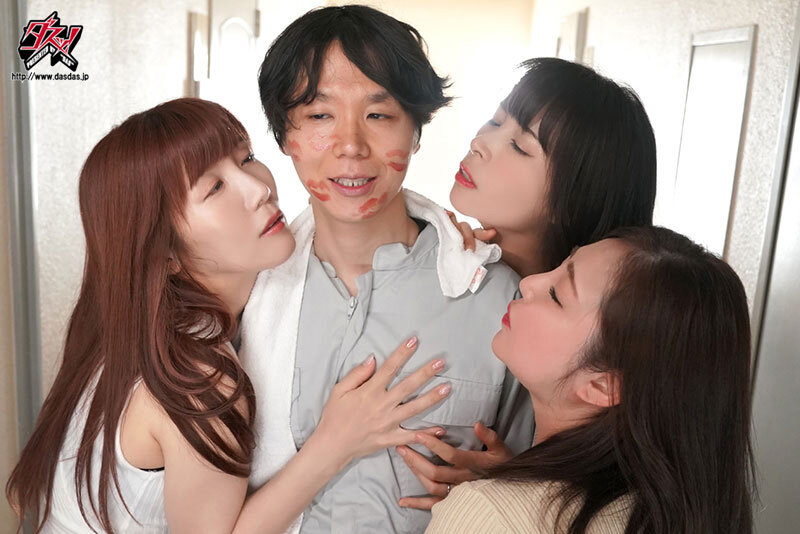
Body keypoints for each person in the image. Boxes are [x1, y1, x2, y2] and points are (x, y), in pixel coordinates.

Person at [5, 98, 452, 534]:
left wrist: (449, 235)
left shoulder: (131, 332)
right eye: (214, 188)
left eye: (246, 159)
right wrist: (335, 443)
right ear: (164, 253)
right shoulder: (196, 380)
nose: (260, 189)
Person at [241, 5, 534, 533]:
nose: (351, 146)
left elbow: (543, 484)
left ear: (416, 132)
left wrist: (504, 487)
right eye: (320, 116)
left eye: (379, 115)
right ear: (284, 136)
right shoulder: (245, 292)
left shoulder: (495, 297)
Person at [398, 56, 659, 510]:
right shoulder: (438, 256)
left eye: (519, 146)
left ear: (573, 198)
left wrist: (516, 481)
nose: (480, 142)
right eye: (495, 120)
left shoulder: (595, 338)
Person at [425, 226, 755, 533]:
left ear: (602, 385)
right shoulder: (670, 513)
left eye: (556, 295)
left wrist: (498, 502)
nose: (529, 283)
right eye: (559, 266)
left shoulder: (490, 515)